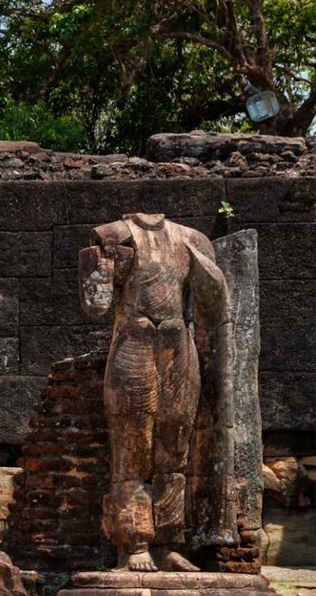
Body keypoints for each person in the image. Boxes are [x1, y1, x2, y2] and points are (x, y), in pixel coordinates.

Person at [79, 212, 236, 572]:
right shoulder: (114, 235)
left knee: (175, 449)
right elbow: (96, 306)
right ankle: (134, 542)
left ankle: (167, 541)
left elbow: (212, 304)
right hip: (135, 341)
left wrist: (208, 274)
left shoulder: (191, 239)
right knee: (132, 447)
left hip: (177, 345)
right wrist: (98, 263)